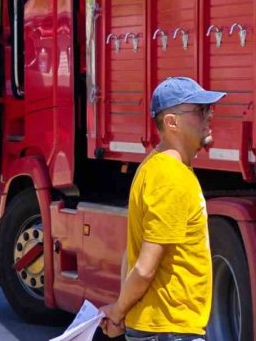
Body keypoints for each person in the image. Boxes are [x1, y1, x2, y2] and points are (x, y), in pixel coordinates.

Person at [100, 76, 225, 339]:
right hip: (170, 329)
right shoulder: (171, 177)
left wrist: (122, 310)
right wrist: (118, 310)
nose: (209, 115)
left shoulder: (153, 166)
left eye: (209, 108)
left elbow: (129, 254)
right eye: (200, 110)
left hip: (159, 328)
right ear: (171, 122)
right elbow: (144, 267)